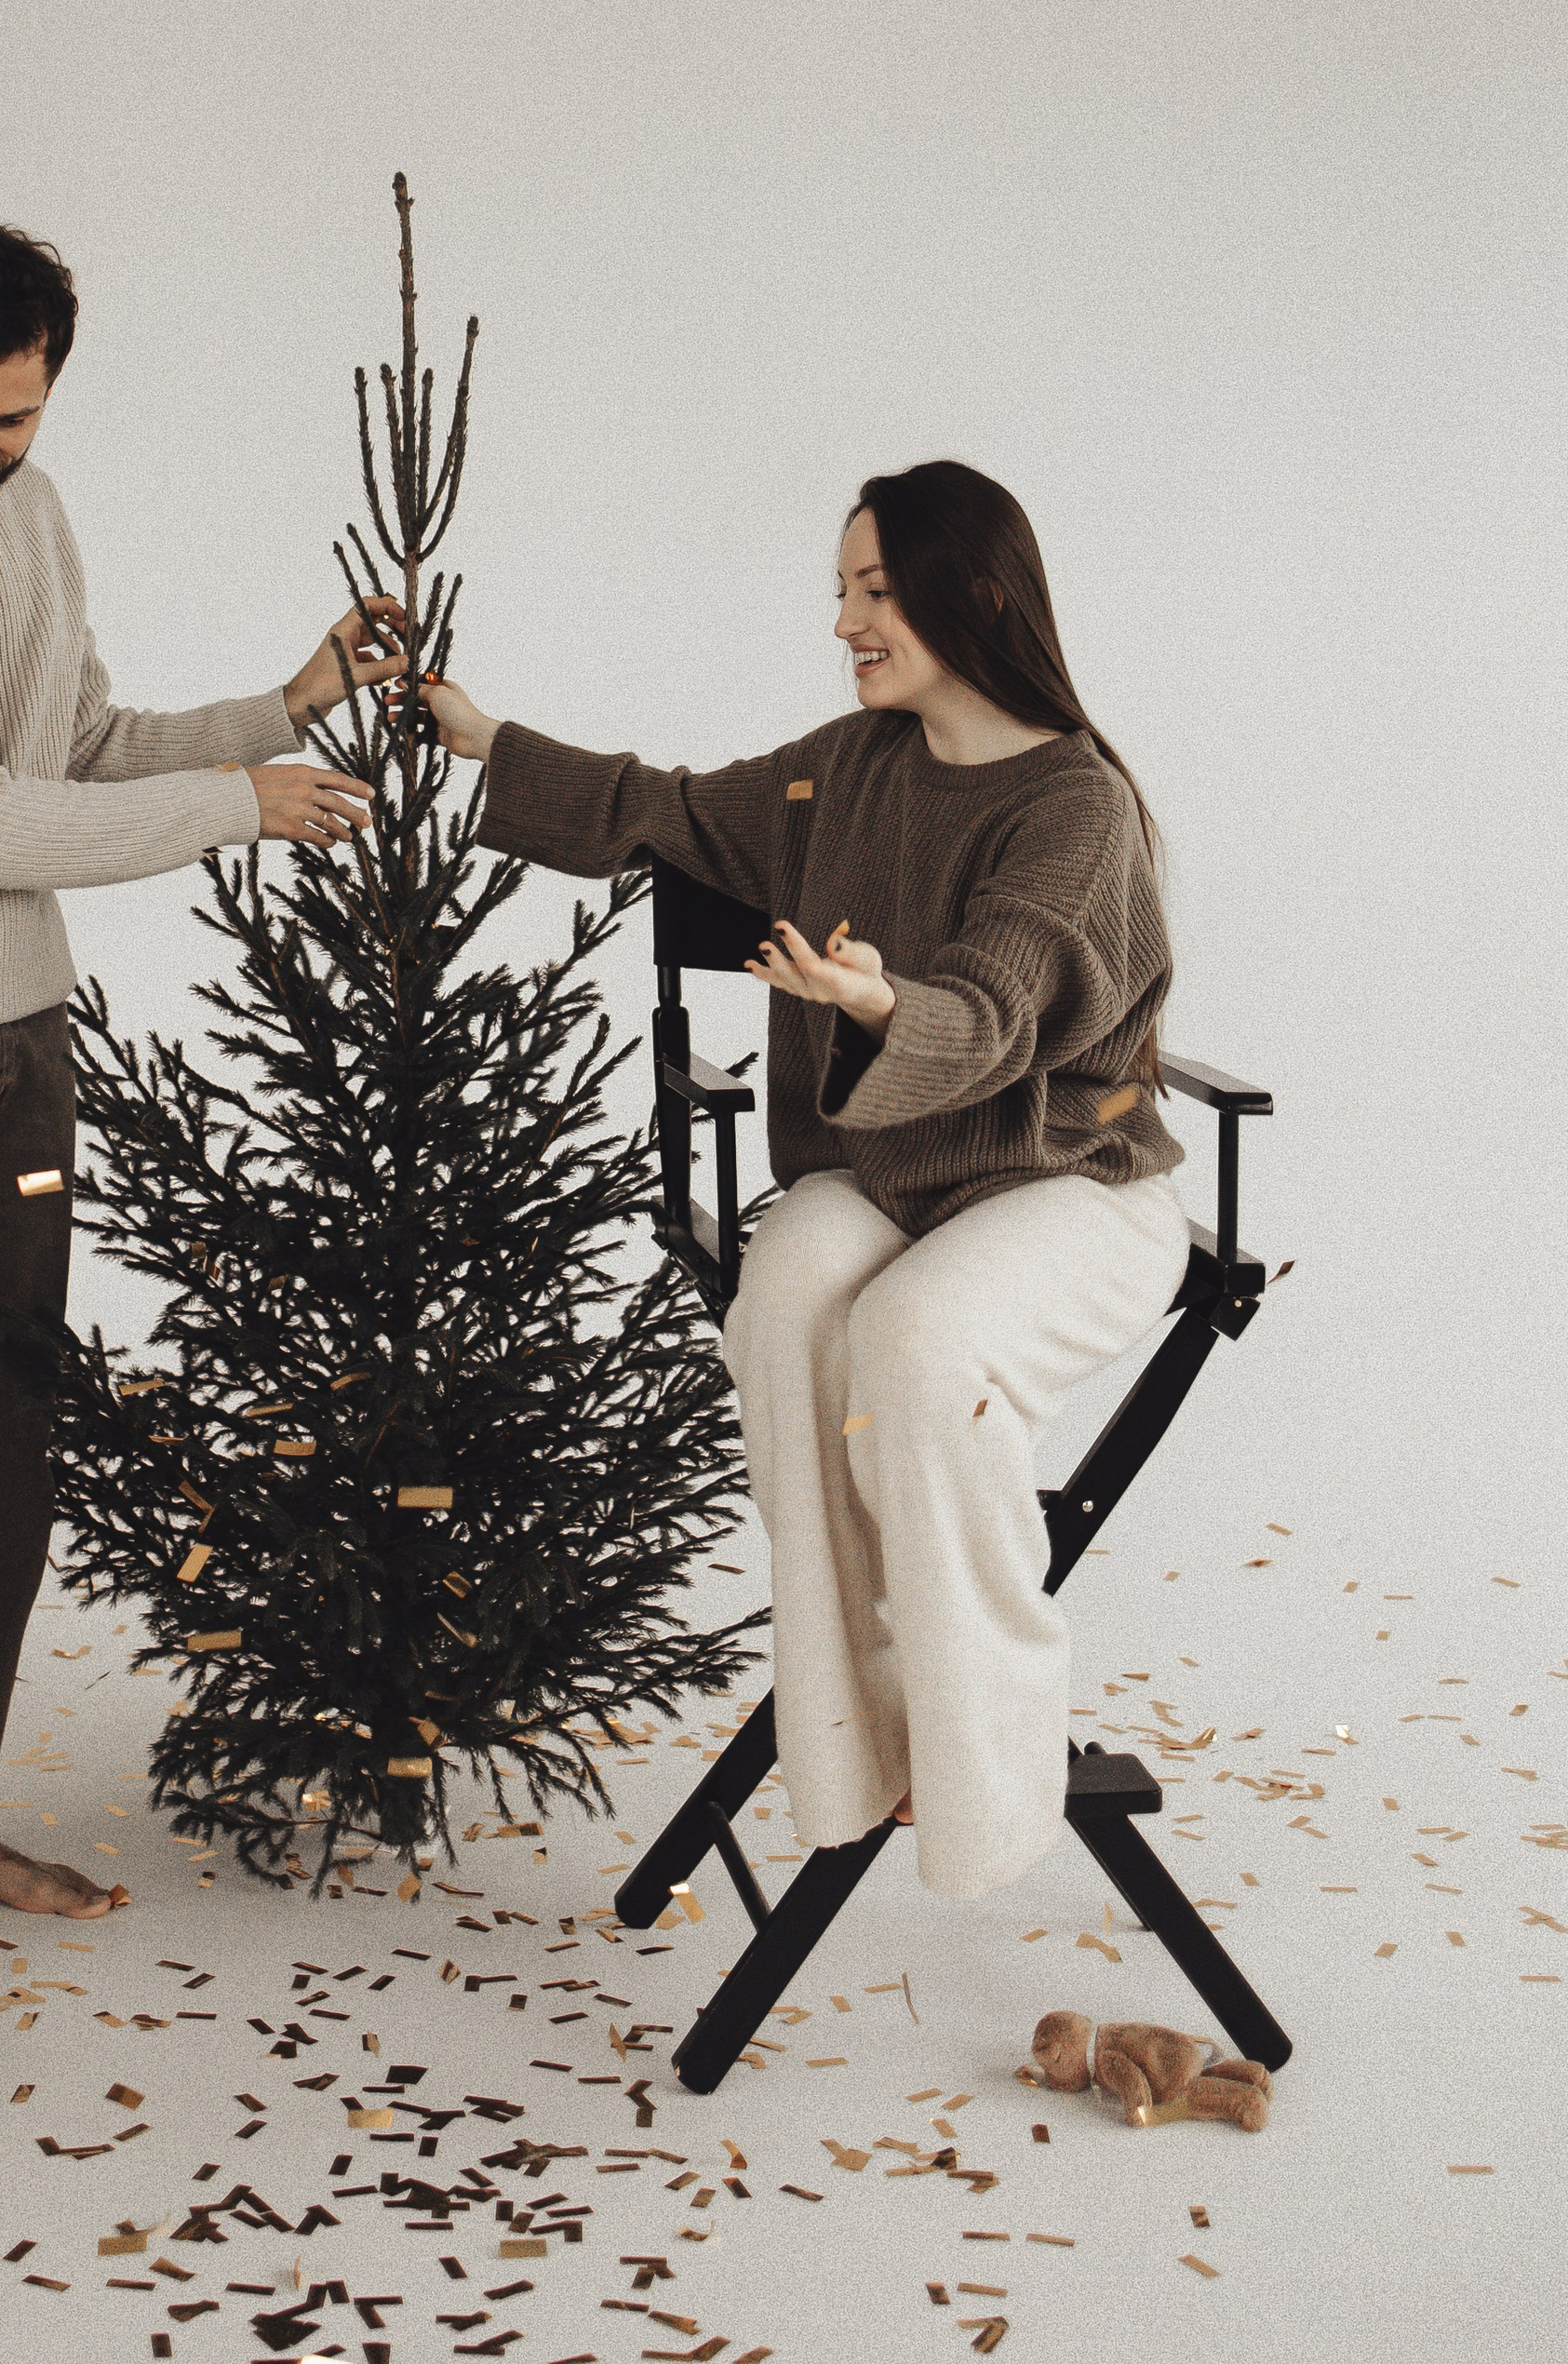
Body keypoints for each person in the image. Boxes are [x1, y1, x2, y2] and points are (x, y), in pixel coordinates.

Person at [0, 218, 405, 2060]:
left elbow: (77, 742)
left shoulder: (28, 508)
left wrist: (289, 708)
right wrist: (240, 808)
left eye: (8, 420)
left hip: (17, 1040)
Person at [411, 459, 1191, 1902]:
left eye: (875, 591)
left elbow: (1008, 997)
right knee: (782, 1309)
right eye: (842, 590)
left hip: (1066, 1183)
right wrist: (484, 742)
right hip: (896, 1169)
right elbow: (669, 811)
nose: (846, 620)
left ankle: (989, 1770)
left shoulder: (1076, 808)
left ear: (980, 594)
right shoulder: (853, 765)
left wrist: (888, 1006)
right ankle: (850, 1750)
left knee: (914, 1345)